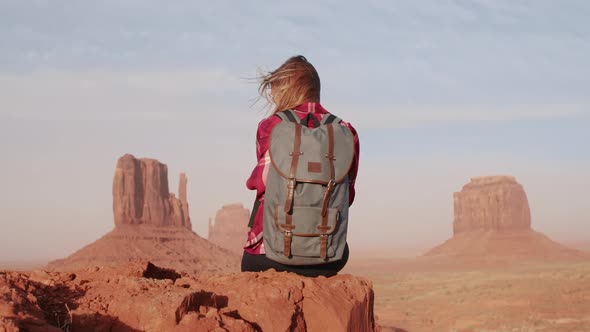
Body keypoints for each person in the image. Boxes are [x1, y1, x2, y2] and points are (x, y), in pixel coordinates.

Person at [241, 55, 359, 277]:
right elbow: (347, 196)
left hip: (268, 256)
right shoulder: (345, 131)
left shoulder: (272, 126)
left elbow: (260, 185)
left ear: (286, 88)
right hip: (327, 257)